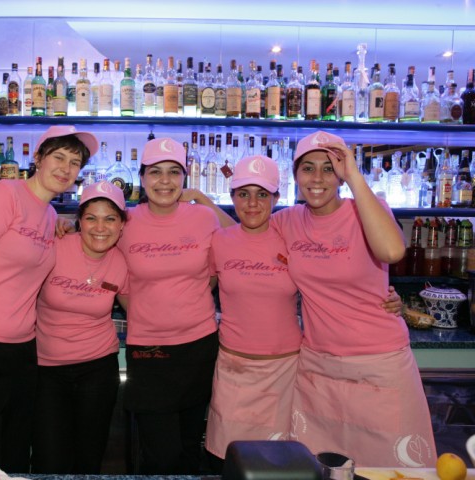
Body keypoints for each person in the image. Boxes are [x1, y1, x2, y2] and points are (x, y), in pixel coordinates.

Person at [270, 131, 436, 467]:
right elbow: (235, 235)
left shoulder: (369, 211)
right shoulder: (287, 221)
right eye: (308, 168)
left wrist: (355, 178)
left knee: (393, 469)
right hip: (319, 366)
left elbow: (391, 251)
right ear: (295, 175)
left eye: (329, 168)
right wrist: (196, 199)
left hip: (378, 365)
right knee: (323, 468)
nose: (317, 179)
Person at [0, 125, 98, 471]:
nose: (66, 168)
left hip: (22, 353)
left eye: (75, 162)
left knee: (10, 460)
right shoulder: (4, 194)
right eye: (58, 157)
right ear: (37, 158)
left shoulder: (50, 215)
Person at [116, 137, 230, 475]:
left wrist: (204, 199)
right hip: (149, 350)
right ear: (142, 176)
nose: (164, 181)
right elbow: (106, 267)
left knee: (188, 446)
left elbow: (243, 243)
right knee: (159, 455)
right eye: (155, 172)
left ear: (184, 177)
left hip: (198, 347)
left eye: (173, 172)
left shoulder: (202, 219)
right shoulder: (125, 222)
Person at [204, 155, 301, 463]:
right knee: (231, 462)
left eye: (262, 194)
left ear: (276, 197)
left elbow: (333, 280)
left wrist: (385, 297)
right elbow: (197, 288)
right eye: (243, 194)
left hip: (286, 372)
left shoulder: (292, 238)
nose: (252, 203)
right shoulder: (218, 241)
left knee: (281, 464)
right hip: (234, 370)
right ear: (232, 197)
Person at [31, 181, 128, 474]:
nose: (101, 227)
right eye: (91, 218)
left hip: (98, 368)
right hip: (47, 370)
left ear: (122, 225)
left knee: (89, 457)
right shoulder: (52, 248)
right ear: (78, 221)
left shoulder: (122, 263)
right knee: (49, 459)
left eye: (110, 218)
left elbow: (139, 308)